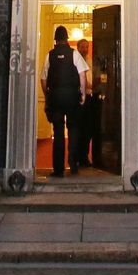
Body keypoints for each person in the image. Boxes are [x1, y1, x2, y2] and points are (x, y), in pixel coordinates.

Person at [40, 25, 88, 177]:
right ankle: (73, 165)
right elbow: (82, 75)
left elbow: (43, 79)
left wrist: (47, 95)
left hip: (55, 98)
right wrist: (82, 94)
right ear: (67, 39)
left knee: (58, 133)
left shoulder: (50, 55)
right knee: (73, 131)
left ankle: (58, 169)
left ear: (56, 39)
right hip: (72, 98)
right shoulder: (74, 54)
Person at [76, 37, 100, 168]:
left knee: (89, 128)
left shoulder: (91, 61)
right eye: (82, 46)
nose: (85, 49)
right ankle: (77, 158)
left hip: (90, 98)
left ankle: (84, 157)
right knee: (79, 129)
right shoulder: (74, 61)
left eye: (86, 46)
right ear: (78, 48)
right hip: (79, 98)